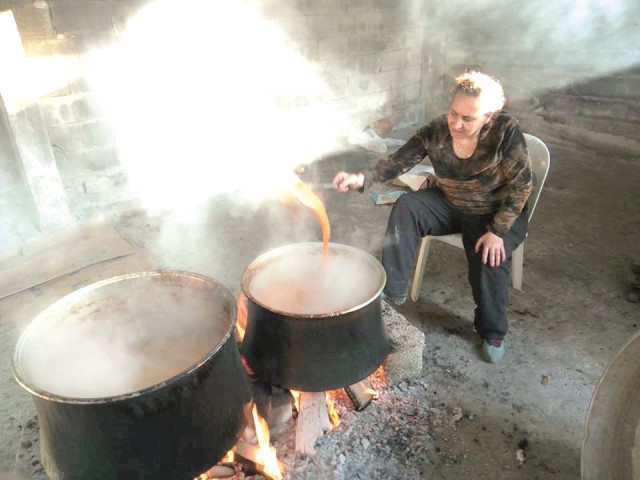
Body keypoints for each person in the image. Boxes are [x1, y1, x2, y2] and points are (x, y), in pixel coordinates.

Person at [332, 71, 532, 363]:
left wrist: (498, 231)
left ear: (488, 116)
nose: (457, 123)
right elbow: (398, 161)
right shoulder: (437, 130)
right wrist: (361, 177)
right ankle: (392, 288)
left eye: (468, 118)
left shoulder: (505, 131)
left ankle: (492, 330)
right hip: (451, 202)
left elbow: (522, 185)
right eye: (454, 113)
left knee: (488, 255)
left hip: (496, 211)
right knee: (408, 206)